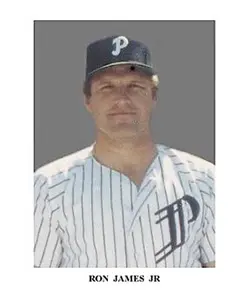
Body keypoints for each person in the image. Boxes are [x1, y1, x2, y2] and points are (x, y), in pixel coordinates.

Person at [34, 35, 215, 268]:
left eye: (135, 86)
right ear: (88, 100)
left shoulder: (206, 180)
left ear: (154, 97)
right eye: (107, 87)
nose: (122, 99)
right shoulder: (47, 187)